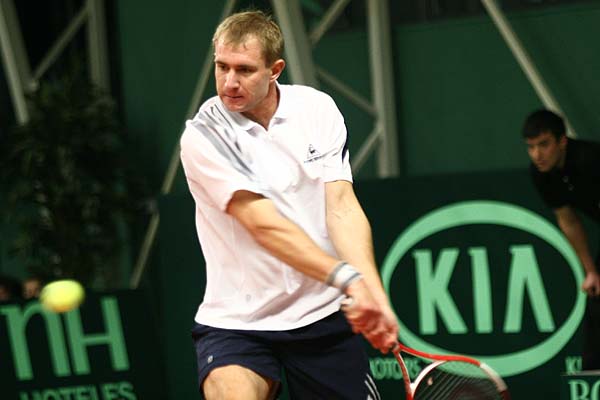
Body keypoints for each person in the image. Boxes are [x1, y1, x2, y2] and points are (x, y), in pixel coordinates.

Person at [179, 10, 399, 399]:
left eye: (245, 70)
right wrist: (348, 279)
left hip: (322, 315)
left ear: (275, 70)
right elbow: (263, 225)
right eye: (222, 66)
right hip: (239, 322)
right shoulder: (204, 135)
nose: (229, 82)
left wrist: (371, 289)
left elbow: (341, 207)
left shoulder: (316, 109)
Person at [522, 109, 600, 370]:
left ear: (562, 141)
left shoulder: (591, 160)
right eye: (531, 147)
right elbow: (569, 220)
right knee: (596, 303)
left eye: (544, 145)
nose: (537, 154)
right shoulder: (541, 174)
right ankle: (590, 381)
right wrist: (591, 271)